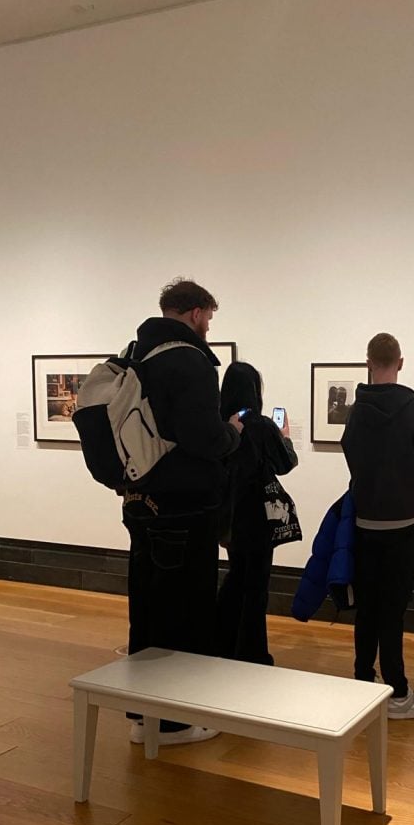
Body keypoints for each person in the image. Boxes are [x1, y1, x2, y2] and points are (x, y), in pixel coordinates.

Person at [123, 277, 243, 745]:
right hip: (185, 508)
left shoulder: (137, 353)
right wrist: (231, 432)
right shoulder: (190, 361)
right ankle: (175, 722)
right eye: (208, 318)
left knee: (147, 606)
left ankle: (143, 715)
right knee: (186, 609)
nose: (209, 326)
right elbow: (204, 439)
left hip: (140, 503)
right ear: (196, 313)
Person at [341, 332, 414, 719]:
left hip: (365, 520)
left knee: (367, 605)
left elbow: (352, 458)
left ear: (368, 362)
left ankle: (362, 682)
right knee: (393, 607)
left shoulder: (357, 412)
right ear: (400, 363)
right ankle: (397, 691)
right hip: (404, 523)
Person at [216, 362, 298, 664]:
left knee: (237, 576)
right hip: (258, 516)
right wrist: (285, 437)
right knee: (256, 585)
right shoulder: (261, 425)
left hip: (228, 516)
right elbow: (285, 463)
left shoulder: (220, 425)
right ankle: (252, 654)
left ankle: (223, 643)